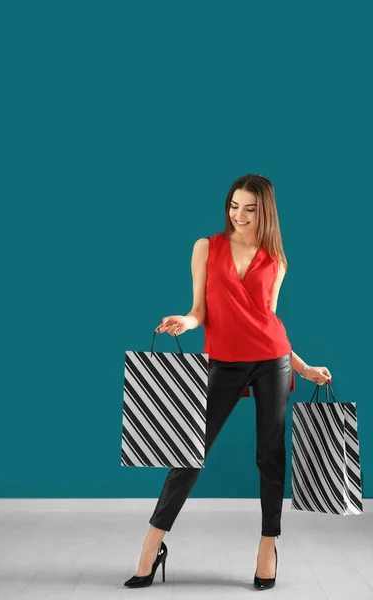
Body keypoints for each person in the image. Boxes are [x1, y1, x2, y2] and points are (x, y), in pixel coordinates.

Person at [124, 174, 332, 590]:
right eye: (234, 206)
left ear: (265, 212)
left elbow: (268, 321)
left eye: (250, 209)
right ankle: (151, 546)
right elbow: (201, 309)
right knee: (188, 455)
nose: (240, 215)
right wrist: (185, 321)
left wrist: (304, 368)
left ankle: (267, 546)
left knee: (269, 457)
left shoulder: (277, 259)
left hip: (272, 361)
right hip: (222, 360)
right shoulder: (206, 247)